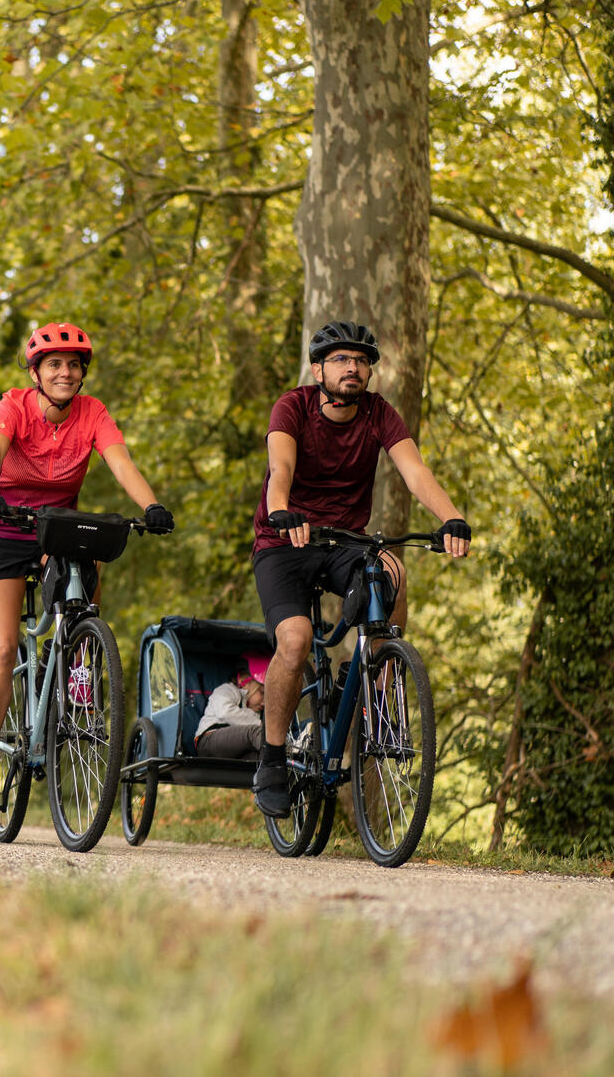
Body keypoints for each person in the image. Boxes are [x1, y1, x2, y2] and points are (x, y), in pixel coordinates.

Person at [250, 320, 472, 818]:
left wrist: (451, 517)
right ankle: (272, 758)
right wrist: (282, 509)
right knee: (295, 641)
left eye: (361, 360)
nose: (353, 367)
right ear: (318, 369)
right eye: (341, 359)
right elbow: (280, 467)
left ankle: (377, 678)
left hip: (343, 541)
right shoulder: (293, 406)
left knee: (392, 568)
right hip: (283, 541)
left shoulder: (378, 413)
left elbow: (416, 472)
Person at [0, 322, 174, 815]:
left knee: (89, 547)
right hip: (2, 528)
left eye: (74, 365)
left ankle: (79, 660)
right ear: (36, 372)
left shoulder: (92, 412)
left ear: (82, 373)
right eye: (55, 364)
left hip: (53, 527)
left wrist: (152, 506)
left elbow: (120, 462)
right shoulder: (12, 406)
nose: (66, 372)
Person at [195, 654, 269, 760]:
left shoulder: (255, 712)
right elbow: (225, 712)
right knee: (254, 733)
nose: (265, 702)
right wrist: (260, 724)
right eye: (262, 692)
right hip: (208, 741)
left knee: (257, 758)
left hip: (232, 750)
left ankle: (278, 765)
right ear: (245, 682)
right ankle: (279, 753)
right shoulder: (227, 690)